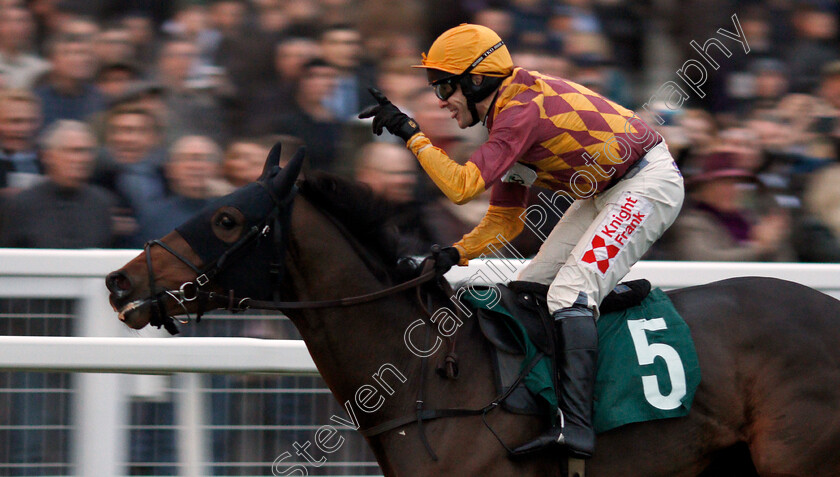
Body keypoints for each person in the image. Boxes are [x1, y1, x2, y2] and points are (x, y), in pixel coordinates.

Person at [359, 23, 684, 458]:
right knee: (529, 289)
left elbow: (462, 187)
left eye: (444, 89)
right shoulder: (510, 110)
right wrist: (455, 253)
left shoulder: (520, 112)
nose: (442, 103)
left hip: (646, 184)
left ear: (476, 81)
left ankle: (578, 427)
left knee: (568, 294)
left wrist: (413, 135)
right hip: (608, 189)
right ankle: (598, 320)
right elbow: (505, 223)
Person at [0, 120, 116, 248]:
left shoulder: (102, 203)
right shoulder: (21, 205)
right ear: (47, 156)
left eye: (87, 151)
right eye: (73, 151)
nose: (82, 159)